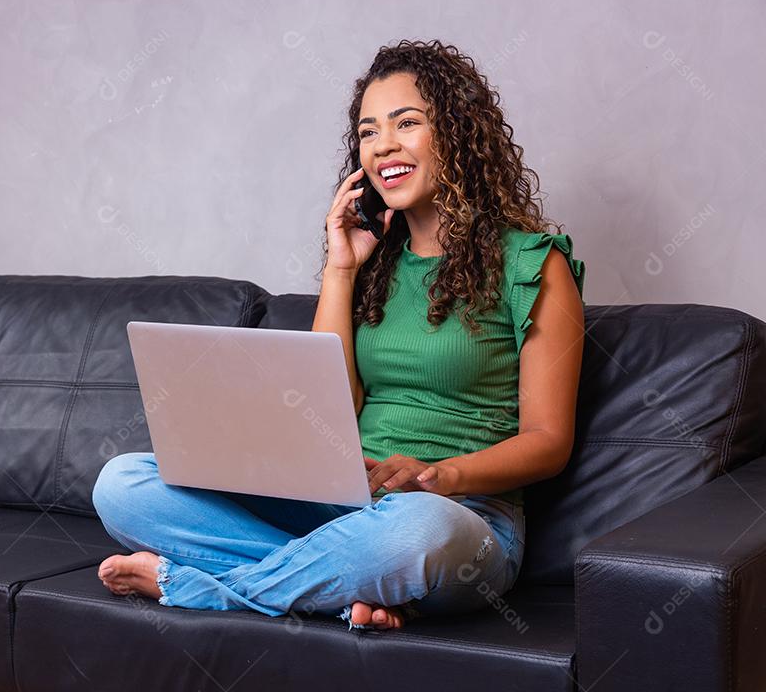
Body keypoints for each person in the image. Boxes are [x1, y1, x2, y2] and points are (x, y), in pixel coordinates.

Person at [91, 39, 586, 632]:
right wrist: (341, 268)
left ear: (457, 131)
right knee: (121, 484)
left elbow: (548, 441)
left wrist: (441, 477)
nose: (384, 146)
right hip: (346, 506)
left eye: (407, 123)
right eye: (369, 130)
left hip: (460, 518)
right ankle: (342, 583)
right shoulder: (374, 266)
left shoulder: (534, 263)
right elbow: (335, 405)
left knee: (415, 534)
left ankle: (203, 588)